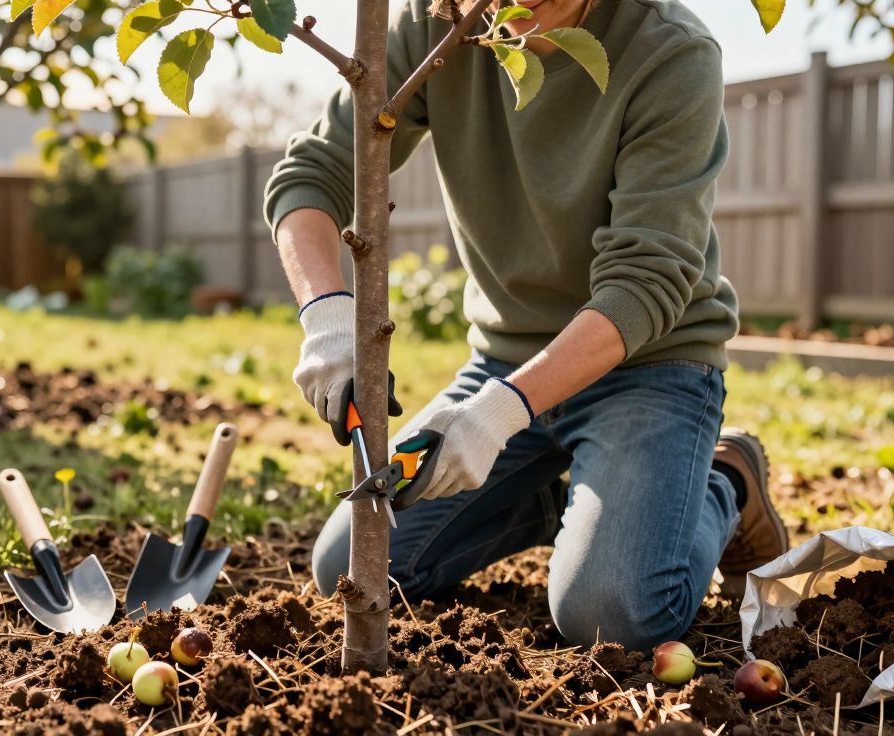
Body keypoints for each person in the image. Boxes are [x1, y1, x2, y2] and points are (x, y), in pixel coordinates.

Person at [263, 0, 790, 649]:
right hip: (502, 363)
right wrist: (325, 316)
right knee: (360, 566)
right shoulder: (440, 24)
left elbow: (644, 285)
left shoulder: (669, 49)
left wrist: (500, 414)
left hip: (651, 365)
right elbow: (312, 171)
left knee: (612, 614)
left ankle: (725, 482)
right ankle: (566, 502)